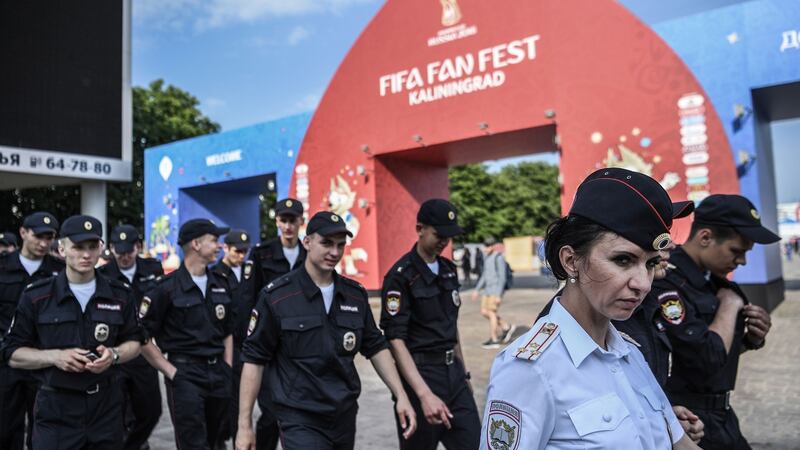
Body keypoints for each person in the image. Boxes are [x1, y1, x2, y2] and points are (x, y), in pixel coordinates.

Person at [481, 168, 699, 449]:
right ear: (571, 261)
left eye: (650, 263)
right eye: (622, 260)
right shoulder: (530, 369)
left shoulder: (629, 352)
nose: (642, 284)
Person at [236, 211, 416, 450]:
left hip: (343, 415)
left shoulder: (354, 294)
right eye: (327, 243)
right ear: (307, 242)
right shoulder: (277, 297)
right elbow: (254, 360)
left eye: (341, 245)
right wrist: (244, 425)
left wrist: (400, 394)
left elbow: (375, 346)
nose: (335, 252)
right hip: (299, 417)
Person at [2, 214, 144, 450]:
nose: (86, 255)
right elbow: (11, 353)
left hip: (106, 408)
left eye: (92, 247)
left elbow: (136, 341)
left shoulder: (121, 294)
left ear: (101, 249)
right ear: (62, 248)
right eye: (78, 247)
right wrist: (54, 357)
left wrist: (114, 354)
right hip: (57, 407)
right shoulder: (36, 296)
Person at [651, 194, 779, 450]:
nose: (741, 261)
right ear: (705, 237)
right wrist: (730, 307)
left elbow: (722, 347)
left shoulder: (713, 280)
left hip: (722, 415)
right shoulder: (668, 282)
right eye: (736, 251)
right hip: (691, 421)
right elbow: (705, 356)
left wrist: (750, 339)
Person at [380, 198, 480, 450]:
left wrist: (463, 373)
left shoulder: (448, 269)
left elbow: (451, 327)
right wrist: (423, 395)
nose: (444, 241)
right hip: (420, 377)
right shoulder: (400, 276)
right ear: (420, 229)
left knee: (476, 444)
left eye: (449, 235)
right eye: (438, 234)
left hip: (454, 377)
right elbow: (395, 339)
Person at [140, 218, 234, 450]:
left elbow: (228, 331)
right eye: (214, 241)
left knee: (217, 440)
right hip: (185, 375)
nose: (219, 246)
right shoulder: (166, 288)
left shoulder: (221, 283)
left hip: (218, 374)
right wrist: (171, 372)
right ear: (196, 244)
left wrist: (228, 367)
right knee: (193, 443)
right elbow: (141, 337)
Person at [239, 197, 306, 450]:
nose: (288, 226)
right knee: (270, 411)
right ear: (276, 221)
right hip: (269, 346)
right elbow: (247, 300)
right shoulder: (261, 253)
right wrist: (249, 343)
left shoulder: (310, 254)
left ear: (301, 221)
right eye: (283, 220)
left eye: (293, 220)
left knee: (298, 409)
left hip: (301, 345)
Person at [0, 212, 64, 450]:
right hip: (7, 361)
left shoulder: (60, 270)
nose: (44, 243)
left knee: (44, 431)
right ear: (23, 233)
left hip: (44, 361)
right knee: (6, 429)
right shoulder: (3, 267)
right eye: (38, 236)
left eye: (49, 237)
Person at [97, 224, 164, 450]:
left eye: (129, 251)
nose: (124, 257)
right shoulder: (103, 275)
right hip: (117, 351)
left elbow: (161, 306)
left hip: (145, 352)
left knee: (152, 409)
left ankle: (133, 443)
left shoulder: (153, 269)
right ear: (112, 249)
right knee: (118, 410)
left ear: (138, 247)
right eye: (119, 251)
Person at [209, 228, 252, 447]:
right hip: (225, 347)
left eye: (245, 251)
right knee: (224, 401)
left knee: (240, 403)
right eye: (237, 251)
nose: (242, 256)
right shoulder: (215, 274)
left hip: (246, 346)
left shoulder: (250, 273)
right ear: (226, 248)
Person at [472, 236, 515, 349]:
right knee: (484, 312)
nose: (485, 249)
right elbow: (484, 276)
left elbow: (502, 278)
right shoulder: (487, 257)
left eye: (487, 247)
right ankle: (506, 327)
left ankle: (494, 339)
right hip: (487, 290)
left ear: (492, 247)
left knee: (491, 313)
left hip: (495, 290)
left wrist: (498, 295)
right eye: (484, 246)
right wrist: (477, 289)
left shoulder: (498, 258)